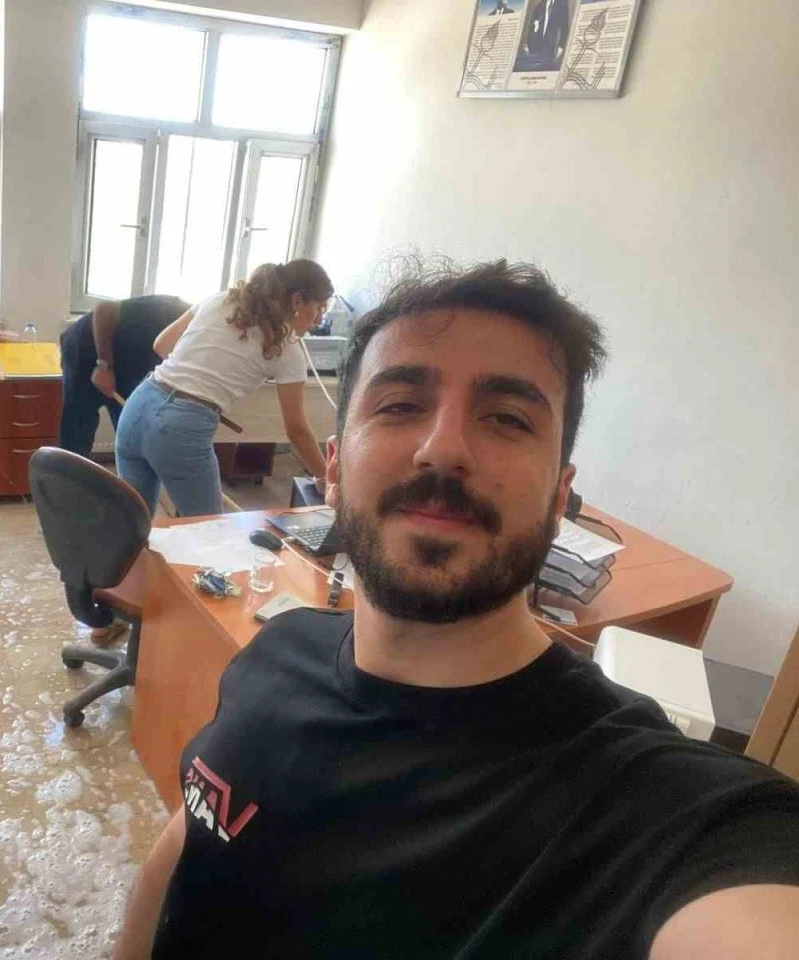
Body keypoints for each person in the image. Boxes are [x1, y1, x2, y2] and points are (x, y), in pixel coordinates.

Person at [114, 260, 799, 959]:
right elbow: (190, 839)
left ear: (559, 497)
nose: (443, 449)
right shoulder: (274, 651)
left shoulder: (660, 813)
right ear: (334, 469)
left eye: (507, 418)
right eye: (400, 405)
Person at [114, 261, 333, 518]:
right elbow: (296, 430)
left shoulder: (220, 300)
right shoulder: (287, 346)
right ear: (297, 300)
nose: (319, 319)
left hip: (139, 404)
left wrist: (200, 373)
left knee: (131, 525)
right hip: (180, 427)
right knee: (210, 531)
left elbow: (161, 345)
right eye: (319, 307)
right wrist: (327, 479)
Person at [58, 295, 190, 458]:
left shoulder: (197, 348)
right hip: (85, 350)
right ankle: (70, 471)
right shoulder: (175, 312)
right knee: (78, 428)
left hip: (126, 364)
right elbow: (104, 309)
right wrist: (104, 365)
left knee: (131, 428)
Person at [518, 0, 571, 71]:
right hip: (534, 49)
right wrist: (527, 44)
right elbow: (531, 27)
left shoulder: (562, 4)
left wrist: (561, 47)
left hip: (549, 50)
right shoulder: (539, 6)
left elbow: (565, 28)